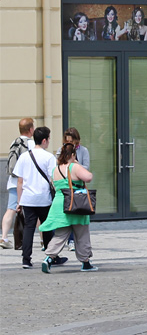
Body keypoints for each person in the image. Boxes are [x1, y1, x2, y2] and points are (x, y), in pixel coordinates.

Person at [39, 143, 97, 273]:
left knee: (60, 235)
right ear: (72, 155)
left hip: (60, 204)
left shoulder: (55, 169)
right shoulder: (74, 166)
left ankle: (48, 258)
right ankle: (85, 262)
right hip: (76, 204)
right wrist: (77, 163)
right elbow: (88, 177)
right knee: (82, 234)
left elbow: (54, 186)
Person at [13, 127, 57, 269]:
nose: (49, 142)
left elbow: (19, 181)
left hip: (28, 199)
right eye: (49, 139)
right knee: (47, 227)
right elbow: (53, 179)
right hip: (44, 198)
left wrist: (19, 201)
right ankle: (50, 257)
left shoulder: (24, 156)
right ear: (44, 140)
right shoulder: (49, 157)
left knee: (29, 228)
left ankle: (26, 259)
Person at [1, 117, 34, 248]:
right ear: (31, 129)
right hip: (27, 183)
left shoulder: (14, 142)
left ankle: (4, 238)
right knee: (35, 211)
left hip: (13, 182)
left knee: (11, 209)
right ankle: (44, 240)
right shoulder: (32, 144)